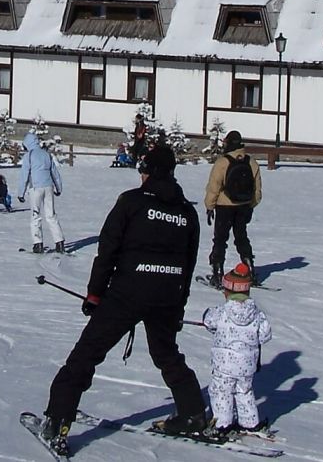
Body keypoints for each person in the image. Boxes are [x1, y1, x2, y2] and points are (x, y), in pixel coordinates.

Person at [37, 145, 207, 456]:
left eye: (143, 170)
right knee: (167, 355)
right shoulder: (187, 212)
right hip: (167, 297)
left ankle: (56, 422)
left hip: (127, 293)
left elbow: (108, 251)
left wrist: (94, 294)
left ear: (148, 172)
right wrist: (178, 308)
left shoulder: (131, 202)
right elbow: (189, 263)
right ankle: (193, 412)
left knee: (86, 355)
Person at [202, 262, 273, 437]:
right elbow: (265, 335)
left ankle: (222, 424)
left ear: (228, 291)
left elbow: (209, 322)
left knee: (222, 391)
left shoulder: (222, 311)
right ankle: (250, 423)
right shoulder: (257, 314)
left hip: (224, 365)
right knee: (244, 391)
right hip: (247, 366)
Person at [203, 130, 262, 288]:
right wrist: (250, 205)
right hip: (243, 206)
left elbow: (213, 187)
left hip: (224, 206)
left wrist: (210, 206)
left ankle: (218, 272)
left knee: (220, 239)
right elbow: (257, 191)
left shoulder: (223, 162)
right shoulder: (251, 162)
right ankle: (249, 268)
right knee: (241, 237)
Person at [18, 132, 64, 253]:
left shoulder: (29, 155)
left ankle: (37, 243)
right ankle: (59, 242)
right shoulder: (46, 154)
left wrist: (20, 193)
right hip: (48, 187)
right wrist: (58, 188)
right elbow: (54, 173)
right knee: (51, 215)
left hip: (35, 188)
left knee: (35, 216)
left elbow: (24, 175)